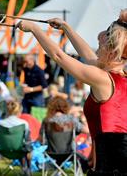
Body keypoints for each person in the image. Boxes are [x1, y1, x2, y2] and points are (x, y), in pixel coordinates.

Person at [18, 9, 127, 174]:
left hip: (114, 163)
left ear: (112, 50)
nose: (98, 38)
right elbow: (86, 55)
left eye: (102, 39)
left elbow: (59, 56)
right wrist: (66, 28)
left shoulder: (102, 78)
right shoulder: (118, 76)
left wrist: (34, 29)